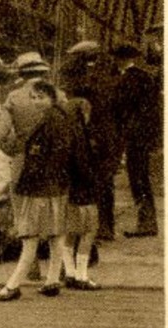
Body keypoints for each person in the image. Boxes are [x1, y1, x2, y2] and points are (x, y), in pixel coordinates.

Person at [0, 81, 71, 301]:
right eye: (34, 97)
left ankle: (13, 285)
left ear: (51, 98)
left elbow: (1, 137)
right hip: (55, 187)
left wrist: (19, 154)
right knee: (56, 233)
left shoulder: (47, 119)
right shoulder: (58, 116)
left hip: (39, 186)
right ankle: (52, 280)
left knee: (29, 234)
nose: (36, 102)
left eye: (40, 98)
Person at [110, 43, 160, 238]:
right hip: (143, 135)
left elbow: (122, 108)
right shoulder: (145, 77)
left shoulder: (128, 80)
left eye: (116, 58)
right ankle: (146, 222)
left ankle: (146, 223)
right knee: (141, 177)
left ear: (120, 59)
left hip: (133, 136)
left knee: (138, 178)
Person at [59, 95, 103, 291]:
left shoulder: (65, 133)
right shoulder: (81, 137)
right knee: (89, 231)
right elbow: (84, 166)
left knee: (69, 232)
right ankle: (82, 275)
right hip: (84, 190)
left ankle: (69, 271)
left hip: (68, 191)